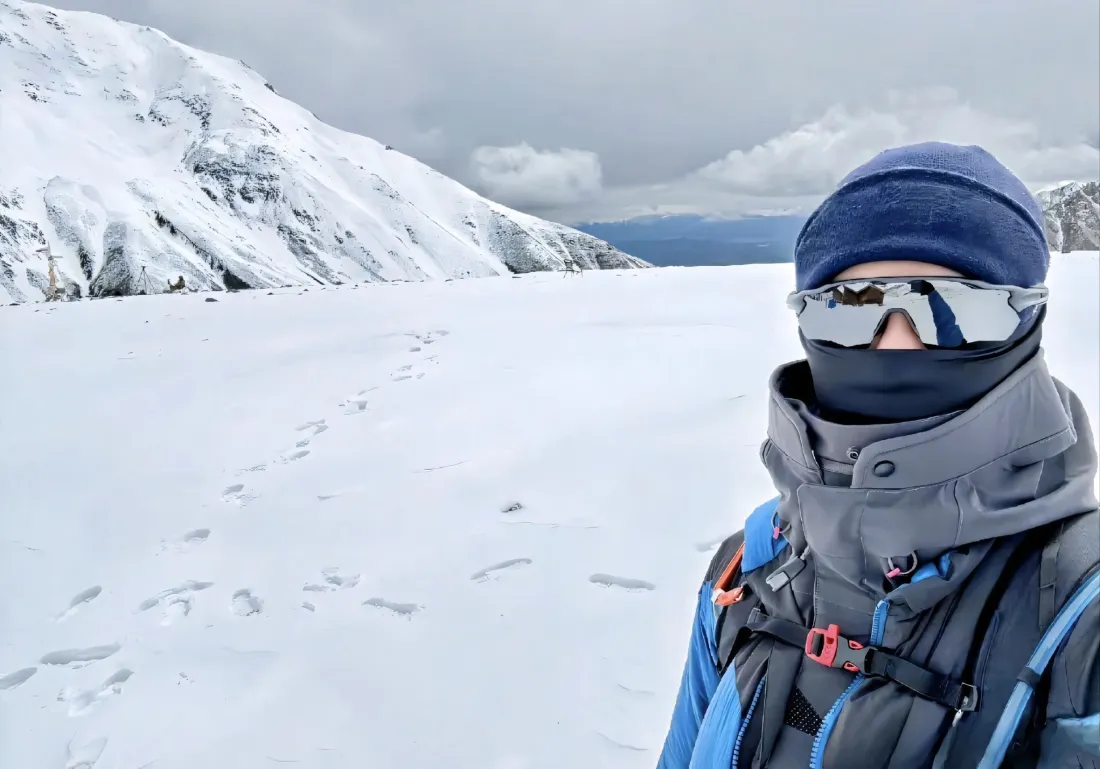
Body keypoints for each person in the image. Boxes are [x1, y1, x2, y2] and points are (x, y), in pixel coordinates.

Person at [656, 143, 1099, 769]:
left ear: (1027, 320)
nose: (896, 345)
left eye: (955, 308)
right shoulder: (750, 565)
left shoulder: (1083, 612)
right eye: (850, 307)